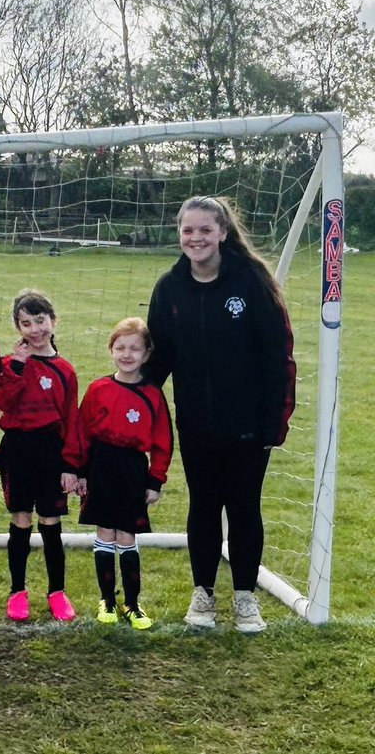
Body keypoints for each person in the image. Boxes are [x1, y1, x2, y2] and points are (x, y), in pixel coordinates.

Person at [146, 195, 295, 634]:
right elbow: (161, 356)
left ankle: (246, 597)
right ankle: (204, 594)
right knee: (204, 506)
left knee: (244, 507)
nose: (196, 238)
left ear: (222, 233)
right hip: (196, 422)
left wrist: (276, 419)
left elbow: (277, 355)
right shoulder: (169, 288)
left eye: (205, 230)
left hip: (249, 424)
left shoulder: (250, 281)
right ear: (179, 235)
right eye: (187, 230)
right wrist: (126, 395)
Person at [77, 317, 173, 630]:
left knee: (127, 535)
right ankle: (106, 599)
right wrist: (77, 471)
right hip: (101, 469)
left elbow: (162, 443)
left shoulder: (152, 395)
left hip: (132, 470)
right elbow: (81, 432)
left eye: (135, 348)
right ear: (111, 350)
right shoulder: (99, 389)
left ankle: (132, 604)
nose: (127, 354)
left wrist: (155, 480)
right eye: (120, 347)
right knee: (105, 533)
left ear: (147, 354)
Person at [0, 289, 81, 623]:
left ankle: (57, 591)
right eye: (26, 323)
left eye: (40, 320)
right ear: (18, 327)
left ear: (53, 321)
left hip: (50, 452)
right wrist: (17, 366)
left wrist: (71, 465)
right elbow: (3, 402)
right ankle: (18, 592)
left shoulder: (65, 370)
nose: (35, 329)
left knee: (50, 521)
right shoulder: (10, 364)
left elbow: (71, 421)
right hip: (16, 450)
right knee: (21, 518)